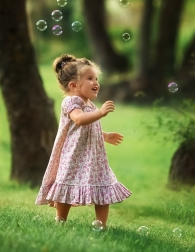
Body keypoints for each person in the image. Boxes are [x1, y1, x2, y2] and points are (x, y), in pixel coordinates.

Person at [35, 54, 131, 228]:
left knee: (103, 186)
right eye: (90, 78)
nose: (96, 83)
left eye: (96, 78)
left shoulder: (89, 104)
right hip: (74, 155)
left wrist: (105, 135)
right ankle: (60, 220)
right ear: (73, 85)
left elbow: (89, 128)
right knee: (66, 187)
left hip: (94, 157)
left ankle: (101, 223)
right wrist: (101, 113)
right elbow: (79, 120)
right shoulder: (71, 102)